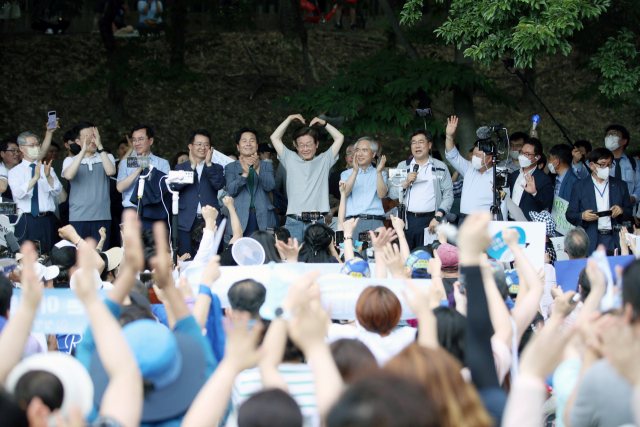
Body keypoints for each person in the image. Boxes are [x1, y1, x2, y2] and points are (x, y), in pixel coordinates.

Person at [269, 114, 345, 243]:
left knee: (318, 259)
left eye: (309, 144)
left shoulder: (324, 160)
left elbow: (339, 137)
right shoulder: (290, 158)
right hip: (294, 220)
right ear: (295, 145)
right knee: (293, 259)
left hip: (318, 221)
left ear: (317, 144)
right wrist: (288, 119)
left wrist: (324, 123)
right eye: (301, 145)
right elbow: (274, 137)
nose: (305, 149)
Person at [389, 127, 453, 249]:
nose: (417, 146)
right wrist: (406, 182)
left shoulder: (441, 167)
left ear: (429, 145)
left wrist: (438, 217)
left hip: (431, 220)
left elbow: (448, 195)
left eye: (420, 142)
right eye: (413, 143)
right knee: (407, 258)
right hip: (407, 220)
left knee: (428, 259)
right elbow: (392, 194)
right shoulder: (402, 166)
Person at [327, 286, 417, 365]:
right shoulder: (409, 336)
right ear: (398, 315)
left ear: (359, 314)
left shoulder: (353, 336)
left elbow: (323, 324)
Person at [566, 148, 633, 254]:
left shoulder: (621, 185)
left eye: (609, 164)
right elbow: (570, 214)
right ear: (592, 165)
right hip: (590, 239)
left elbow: (630, 211)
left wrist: (621, 210)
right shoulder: (580, 186)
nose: (606, 168)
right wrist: (582, 216)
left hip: (614, 238)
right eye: (602, 164)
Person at [61, 121, 116, 246]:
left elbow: (111, 171)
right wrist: (82, 152)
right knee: (80, 257)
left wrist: (100, 146)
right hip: (78, 217)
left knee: (101, 256)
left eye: (94, 136)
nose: (92, 140)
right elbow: (69, 175)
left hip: (102, 216)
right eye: (87, 137)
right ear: (77, 141)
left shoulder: (106, 157)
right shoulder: (70, 160)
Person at [172, 129, 224, 257]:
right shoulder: (181, 167)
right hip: (187, 219)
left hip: (210, 219)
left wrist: (209, 164)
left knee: (211, 257)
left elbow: (218, 185)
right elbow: (175, 187)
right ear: (190, 146)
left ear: (210, 148)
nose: (203, 147)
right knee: (187, 256)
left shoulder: (216, 167)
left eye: (206, 144)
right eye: (199, 144)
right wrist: (192, 168)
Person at [9, 127, 62, 254]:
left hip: (46, 220)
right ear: (21, 148)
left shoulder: (47, 168)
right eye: (32, 145)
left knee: (47, 255)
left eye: (37, 145)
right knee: (24, 257)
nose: (36, 147)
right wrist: (35, 178)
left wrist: (48, 176)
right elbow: (18, 194)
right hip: (26, 220)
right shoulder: (15, 172)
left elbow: (57, 191)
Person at [116, 125, 170, 229]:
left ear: (151, 141)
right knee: (130, 245)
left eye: (140, 139)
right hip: (131, 211)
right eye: (134, 140)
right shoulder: (125, 163)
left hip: (154, 211)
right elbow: (120, 187)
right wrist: (138, 170)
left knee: (153, 245)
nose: (137, 143)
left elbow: (165, 188)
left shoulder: (162, 163)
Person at [225, 128, 276, 237]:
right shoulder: (231, 167)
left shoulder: (267, 166)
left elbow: (270, 186)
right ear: (238, 147)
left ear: (257, 146)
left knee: (265, 251)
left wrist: (258, 169)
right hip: (240, 216)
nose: (248, 143)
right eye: (244, 141)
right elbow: (231, 190)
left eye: (252, 140)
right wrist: (244, 175)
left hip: (264, 216)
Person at [573, 126, 640, 209]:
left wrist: (632, 198)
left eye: (615, 133)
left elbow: (639, 187)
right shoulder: (595, 159)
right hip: (600, 209)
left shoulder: (634, 163)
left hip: (626, 211)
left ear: (624, 141)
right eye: (608, 134)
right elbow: (583, 175)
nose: (610, 136)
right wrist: (576, 161)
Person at [444, 117, 495, 221]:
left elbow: (503, 205)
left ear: (489, 158)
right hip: (464, 220)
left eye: (478, 155)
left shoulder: (498, 175)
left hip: (484, 223)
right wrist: (449, 136)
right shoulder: (468, 168)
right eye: (474, 154)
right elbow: (452, 155)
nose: (474, 157)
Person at [341, 137, 388, 239]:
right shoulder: (346, 174)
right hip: (353, 223)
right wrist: (355, 171)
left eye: (365, 150)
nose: (360, 154)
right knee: (352, 254)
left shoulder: (381, 174)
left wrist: (379, 172)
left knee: (375, 254)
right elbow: (345, 192)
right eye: (357, 150)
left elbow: (382, 194)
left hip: (374, 222)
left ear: (373, 154)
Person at [507, 137, 554, 221]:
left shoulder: (544, 179)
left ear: (537, 157)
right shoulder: (514, 175)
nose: (522, 156)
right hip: (509, 221)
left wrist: (535, 193)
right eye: (521, 152)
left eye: (527, 154)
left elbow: (546, 203)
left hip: (528, 224)